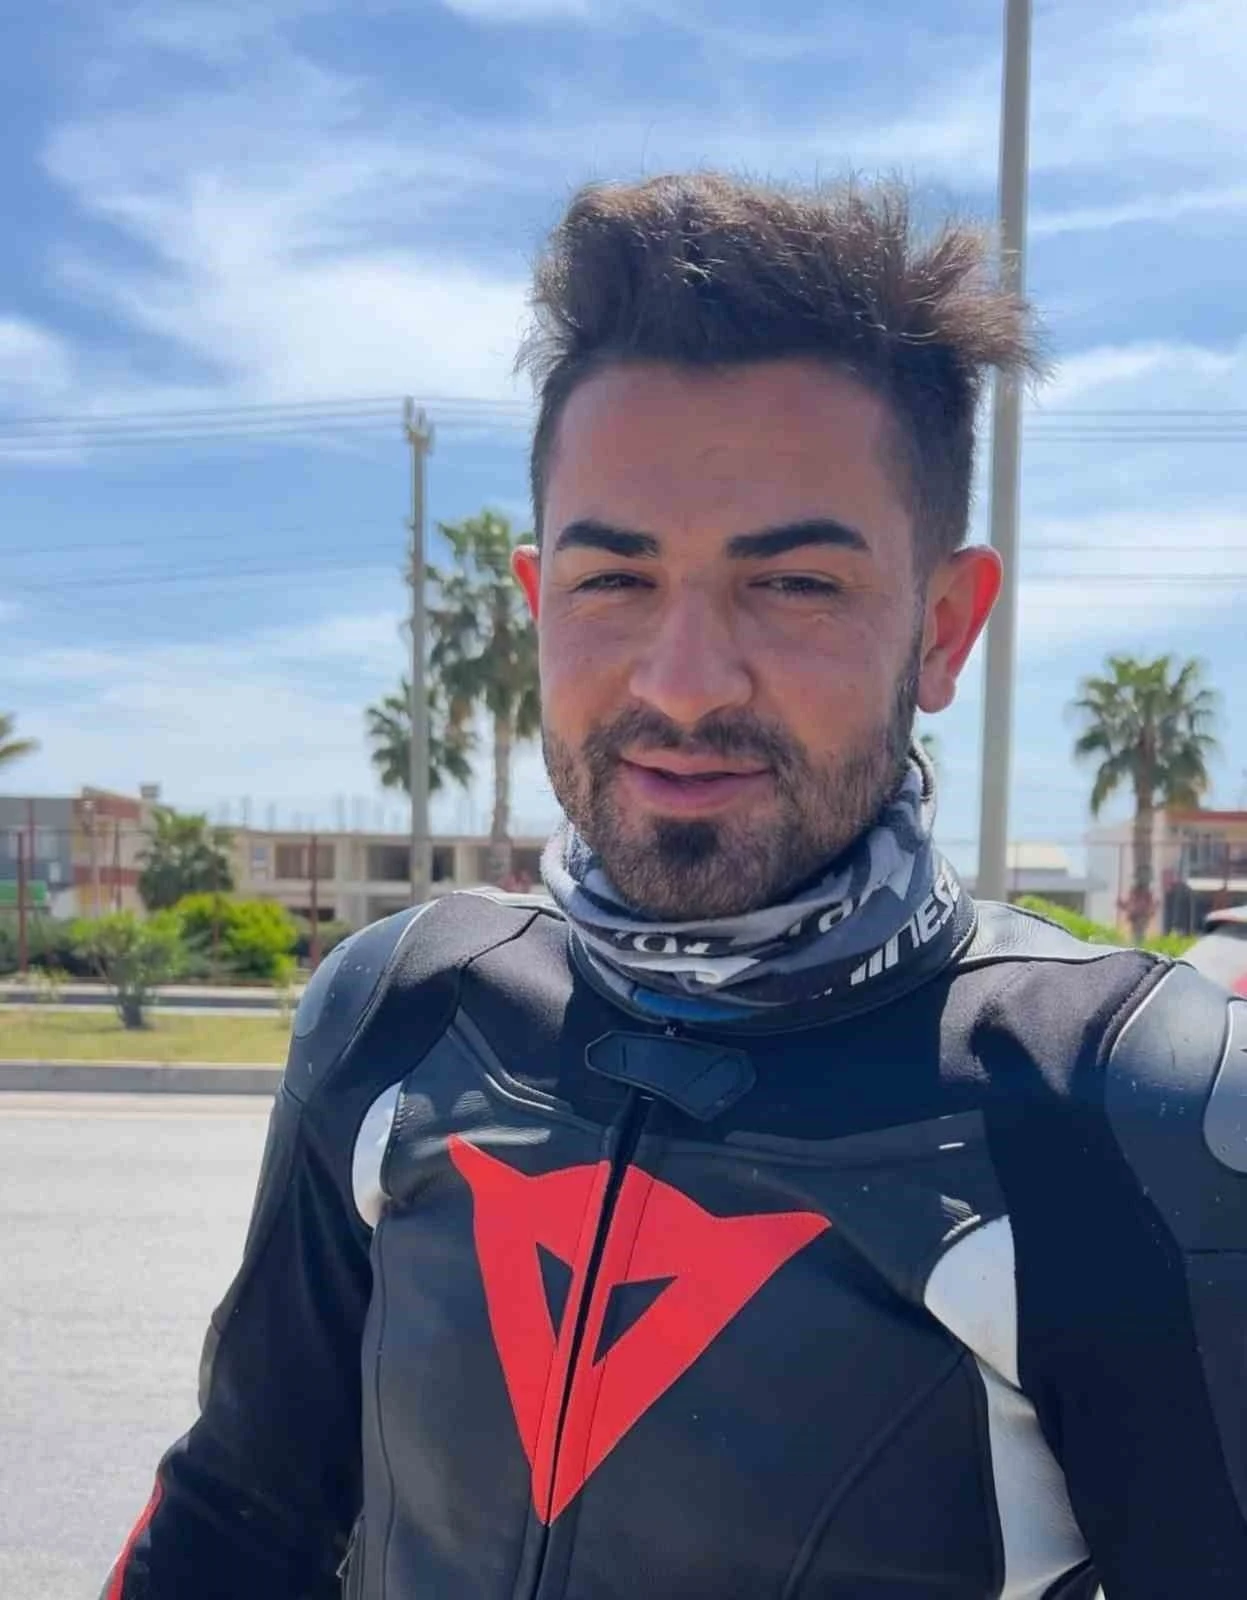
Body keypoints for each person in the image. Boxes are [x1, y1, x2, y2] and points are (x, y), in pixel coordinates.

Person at [103, 174, 1247, 1600]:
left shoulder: (1123, 1104)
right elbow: (235, 1523)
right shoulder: (401, 1012)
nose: (686, 684)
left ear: (943, 628)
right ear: (537, 606)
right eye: (614, 582)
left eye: (795, 584)